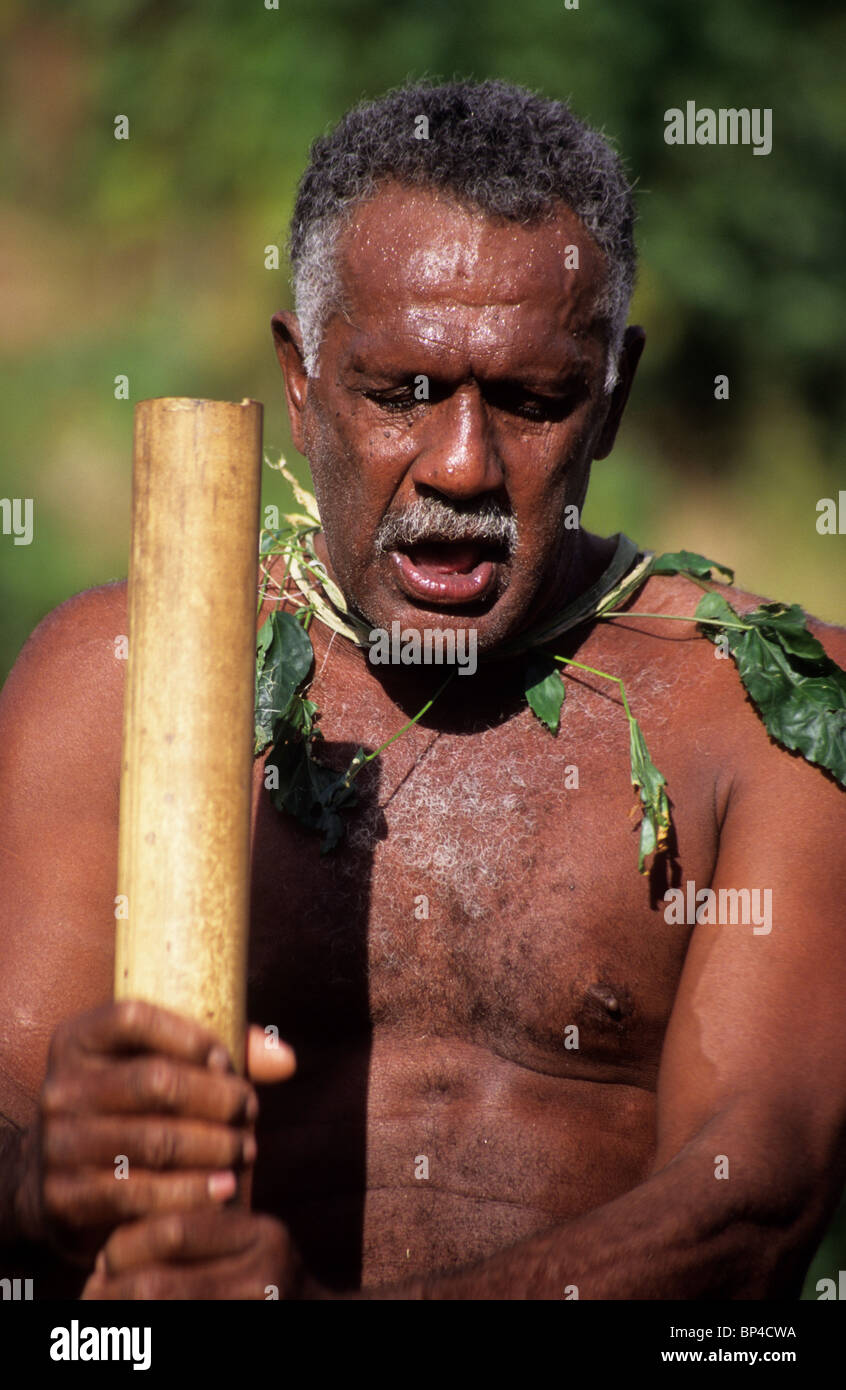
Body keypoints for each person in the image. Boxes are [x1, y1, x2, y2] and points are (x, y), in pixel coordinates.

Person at [1, 79, 845, 1301]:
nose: (462, 464)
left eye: (533, 399)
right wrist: (41, 1183)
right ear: (299, 382)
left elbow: (748, 1206)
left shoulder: (770, 714)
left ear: (612, 397)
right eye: (401, 392)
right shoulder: (117, 681)